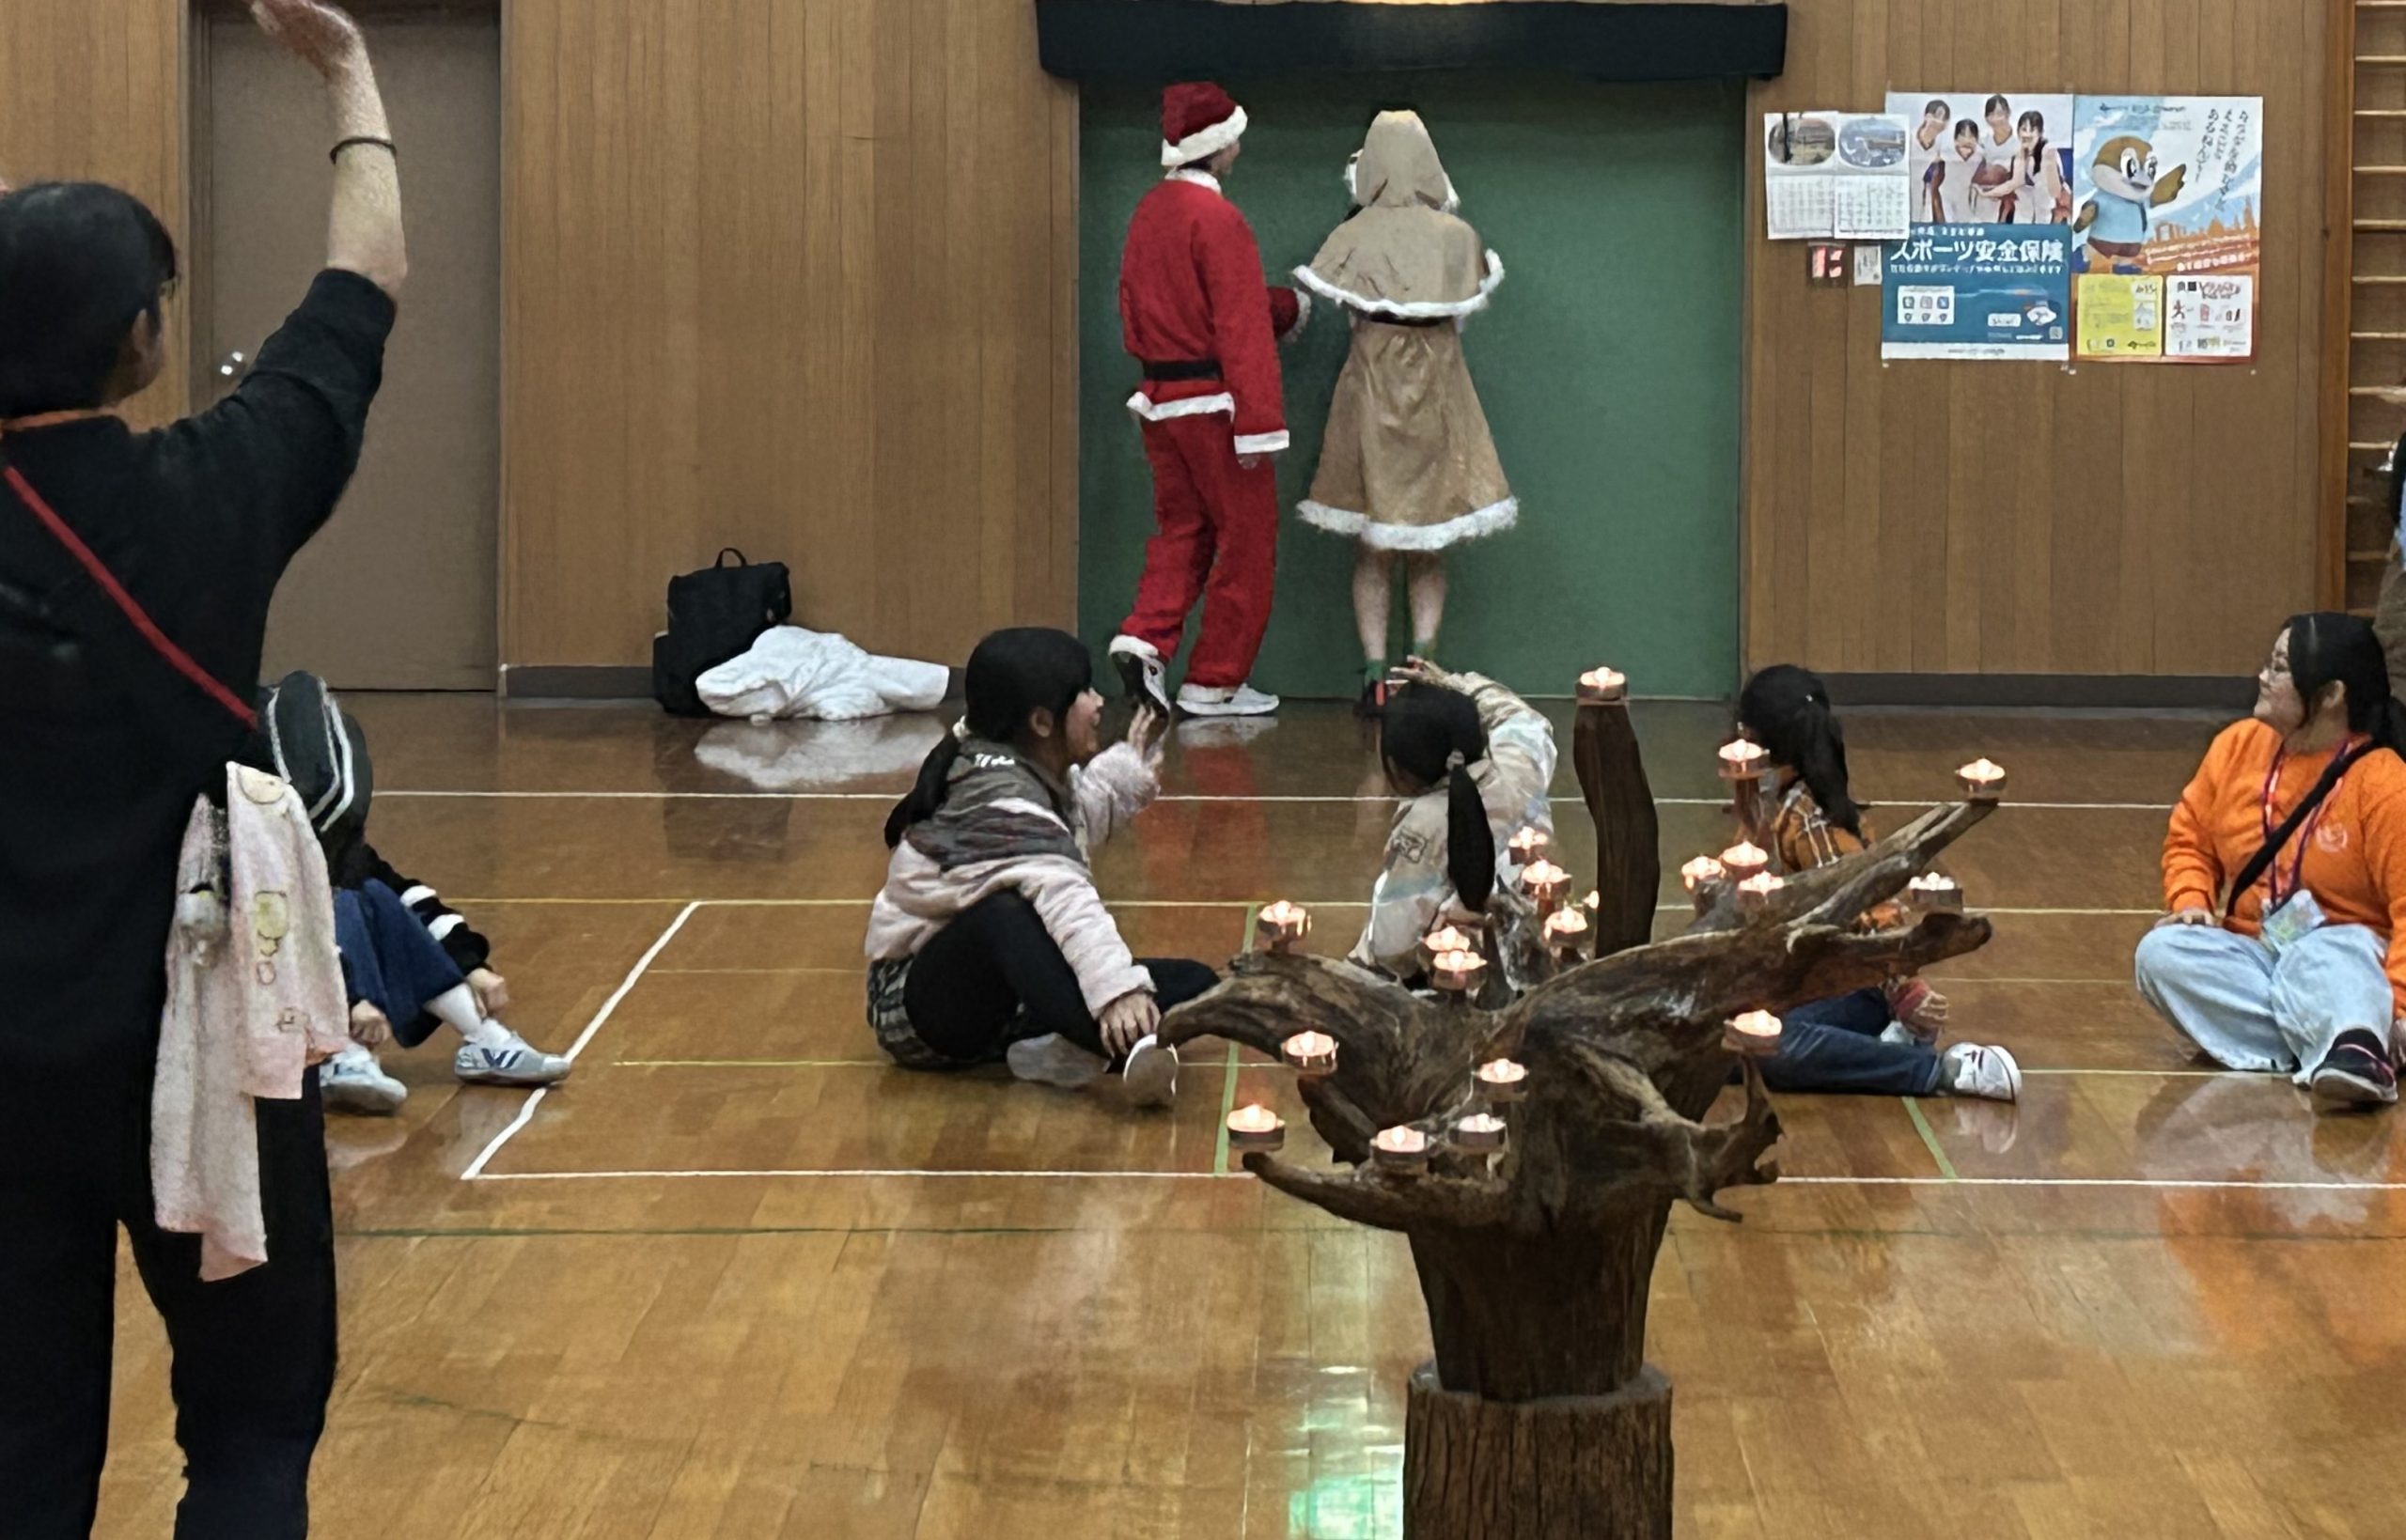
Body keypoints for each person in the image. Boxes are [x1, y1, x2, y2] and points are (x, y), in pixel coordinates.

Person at [0, 0, 404, 1532]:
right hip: (198, 1046)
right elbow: (360, 290)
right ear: (139, 340)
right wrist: (349, 73)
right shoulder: (214, 490)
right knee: (248, 1426)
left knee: (19, 1447)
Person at [865, 627, 1216, 1105]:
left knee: (1195, 982)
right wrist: (1116, 995)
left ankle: (1052, 1049)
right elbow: (1068, 898)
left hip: (1006, 1002)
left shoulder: (1019, 766)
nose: (1098, 703)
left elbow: (1063, 829)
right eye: (1084, 692)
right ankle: (1112, 1047)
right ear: (1042, 722)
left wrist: (1123, 776)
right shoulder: (998, 801)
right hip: (918, 1011)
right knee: (1003, 913)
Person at [2134, 614, 2406, 1108]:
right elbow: (2190, 838)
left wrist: (2401, 1009)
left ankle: (2364, 1035)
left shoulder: (2385, 783)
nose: (2263, 676)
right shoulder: (2236, 745)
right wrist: (2191, 899)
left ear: (2331, 695)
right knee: (2161, 954)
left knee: (2321, 952)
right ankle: (2348, 1047)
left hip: (2346, 957)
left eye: (2280, 667)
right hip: (2257, 953)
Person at [1292, 113, 1513, 714]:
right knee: (1429, 541)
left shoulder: (1352, 235)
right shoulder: (1456, 237)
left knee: (1373, 543)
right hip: (1439, 390)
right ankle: (1423, 670)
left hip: (1369, 389)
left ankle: (1374, 676)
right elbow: (1459, 317)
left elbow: (1350, 317)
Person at [1107, 82, 1306, 723]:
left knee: (1182, 529)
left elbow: (1165, 305)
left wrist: (1285, 307)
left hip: (1159, 399)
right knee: (1247, 541)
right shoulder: (1220, 221)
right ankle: (1215, 680)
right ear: (1220, 145)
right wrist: (1260, 423)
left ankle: (1145, 636)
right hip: (1217, 407)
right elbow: (1239, 325)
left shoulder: (1149, 212)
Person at [1734, 667, 2022, 1101]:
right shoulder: (1773, 806)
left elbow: (1865, 910)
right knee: (1716, 1046)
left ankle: (1940, 1069)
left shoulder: (1809, 820)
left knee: (1775, 1047)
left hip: (1851, 985)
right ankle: (1869, 1046)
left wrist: (1906, 990)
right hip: (1794, 981)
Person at [319, 840, 571, 1115]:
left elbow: (410, 898)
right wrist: (350, 1000)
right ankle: (339, 1052)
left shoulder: (335, 843)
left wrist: (470, 966)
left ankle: (480, 1035)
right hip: (289, 1002)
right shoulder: (284, 850)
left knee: (375, 893)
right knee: (340, 902)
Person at [1349, 660, 1555, 977]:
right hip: (1534, 940)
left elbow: (1393, 944)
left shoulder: (1424, 824)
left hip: (1460, 972)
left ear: (1399, 770)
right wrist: (1453, 685)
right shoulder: (1519, 766)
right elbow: (1519, 716)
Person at [2013, 109, 2067, 226]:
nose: (2027, 134)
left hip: (2045, 220)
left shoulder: (2048, 153)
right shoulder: (2016, 156)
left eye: (2032, 130)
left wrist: (2050, 164)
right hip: (2020, 220)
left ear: (2040, 133)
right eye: (2024, 129)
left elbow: (2056, 193)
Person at [1977, 94, 2021, 223]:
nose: (1996, 119)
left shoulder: (2019, 141)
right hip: (1987, 192)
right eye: (1991, 115)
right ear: (1986, 118)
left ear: (2008, 113)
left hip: (2013, 192)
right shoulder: (1983, 140)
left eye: (2000, 114)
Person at [1936, 119, 1987, 224]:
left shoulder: (1980, 154)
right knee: (1948, 224)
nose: (1967, 140)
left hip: (1964, 196)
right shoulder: (1946, 151)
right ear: (1956, 138)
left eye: (1971, 136)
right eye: (1963, 136)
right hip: (1946, 194)